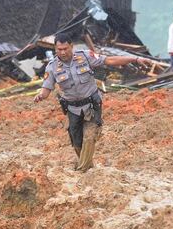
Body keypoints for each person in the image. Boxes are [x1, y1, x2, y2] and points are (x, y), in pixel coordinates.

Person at [33, 32, 150, 172]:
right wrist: (40, 96)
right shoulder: (52, 67)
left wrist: (135, 59)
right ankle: (88, 166)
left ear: (71, 46)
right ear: (55, 49)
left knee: (89, 137)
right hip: (72, 109)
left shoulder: (85, 56)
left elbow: (110, 60)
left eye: (65, 49)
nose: (62, 52)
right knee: (77, 143)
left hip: (91, 104)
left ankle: (81, 171)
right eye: (59, 49)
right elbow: (46, 89)